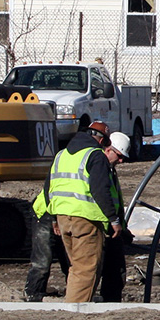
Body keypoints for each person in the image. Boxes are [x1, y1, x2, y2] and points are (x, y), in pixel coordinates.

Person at [47, 120, 122, 302]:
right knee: (86, 269)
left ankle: (72, 305)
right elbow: (100, 190)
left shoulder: (61, 155)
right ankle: (75, 313)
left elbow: (48, 188)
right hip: (86, 219)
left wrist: (54, 219)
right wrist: (114, 219)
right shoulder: (95, 156)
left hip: (63, 218)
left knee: (76, 267)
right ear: (102, 141)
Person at [99, 131, 131, 303]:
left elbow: (115, 200)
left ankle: (111, 301)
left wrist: (122, 226)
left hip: (112, 227)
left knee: (117, 272)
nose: (121, 161)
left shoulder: (110, 171)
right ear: (108, 150)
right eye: (119, 156)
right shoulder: (99, 169)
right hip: (104, 227)